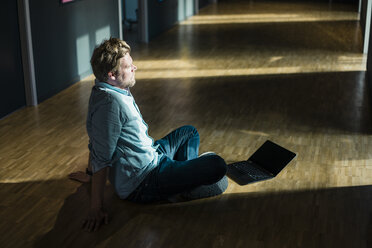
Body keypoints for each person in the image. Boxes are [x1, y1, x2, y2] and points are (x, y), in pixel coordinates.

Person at [68, 37, 228, 232]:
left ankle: (183, 178)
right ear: (111, 74)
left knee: (188, 132)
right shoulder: (109, 105)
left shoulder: (107, 88)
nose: (134, 67)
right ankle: (184, 181)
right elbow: (101, 153)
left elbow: (96, 139)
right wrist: (95, 207)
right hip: (144, 181)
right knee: (218, 165)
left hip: (151, 155)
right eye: (128, 66)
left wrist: (90, 176)